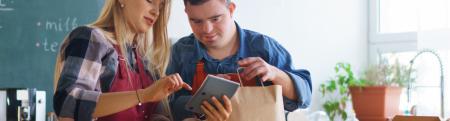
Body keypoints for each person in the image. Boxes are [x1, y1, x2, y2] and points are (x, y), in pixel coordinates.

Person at [167, 0, 312, 120]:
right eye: (196, 21)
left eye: (215, 18)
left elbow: (305, 96)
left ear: (231, 9)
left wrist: (275, 74)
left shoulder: (263, 47)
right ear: (186, 12)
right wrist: (203, 103)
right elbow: (168, 108)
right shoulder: (180, 52)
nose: (207, 29)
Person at [52, 0, 191, 120]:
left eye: (160, 6)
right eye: (149, 0)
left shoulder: (145, 62)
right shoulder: (92, 39)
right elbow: (67, 102)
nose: (156, 12)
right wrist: (143, 95)